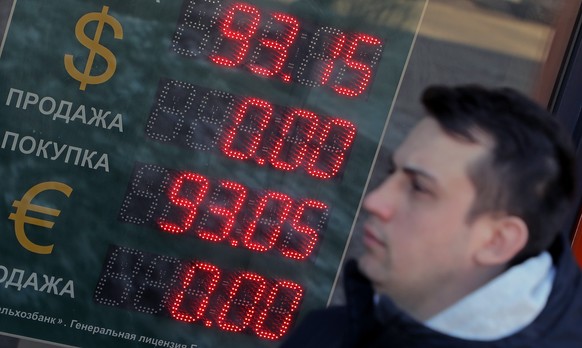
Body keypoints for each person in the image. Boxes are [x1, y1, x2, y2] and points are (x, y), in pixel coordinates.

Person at [281, 85, 582, 347]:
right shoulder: (325, 333)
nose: (375, 201)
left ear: (497, 241)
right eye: (391, 172)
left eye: (418, 188)